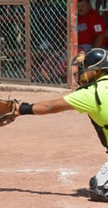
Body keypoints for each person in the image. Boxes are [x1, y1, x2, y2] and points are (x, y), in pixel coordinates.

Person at [13, 48, 108, 202]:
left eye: (86, 68)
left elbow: (49, 107)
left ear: (97, 71)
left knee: (100, 189)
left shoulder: (91, 93)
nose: (82, 72)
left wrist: (21, 109)